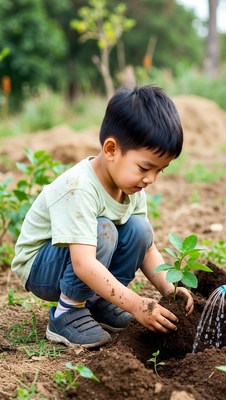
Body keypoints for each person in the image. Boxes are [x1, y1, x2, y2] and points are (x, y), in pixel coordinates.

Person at [11, 85, 194, 349]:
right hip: (41, 267)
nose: (150, 178)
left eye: (160, 170)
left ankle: (101, 304)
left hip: (79, 260)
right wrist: (136, 304)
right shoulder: (79, 187)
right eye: (145, 167)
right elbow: (84, 263)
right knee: (104, 230)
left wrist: (170, 289)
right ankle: (67, 312)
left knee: (140, 229)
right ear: (110, 149)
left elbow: (147, 248)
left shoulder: (132, 186)